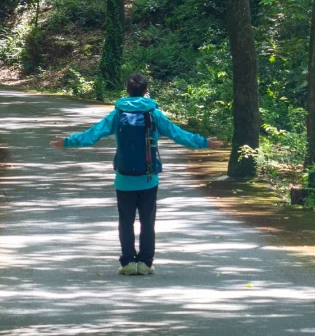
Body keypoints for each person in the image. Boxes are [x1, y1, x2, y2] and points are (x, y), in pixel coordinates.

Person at [50, 72, 221, 275]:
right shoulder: (154, 115)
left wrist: (68, 141)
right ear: (146, 91)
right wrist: (205, 143)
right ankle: (146, 263)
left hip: (123, 180)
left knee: (126, 222)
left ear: (127, 91)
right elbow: (179, 135)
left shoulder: (118, 114)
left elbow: (93, 134)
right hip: (148, 179)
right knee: (147, 222)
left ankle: (128, 263)